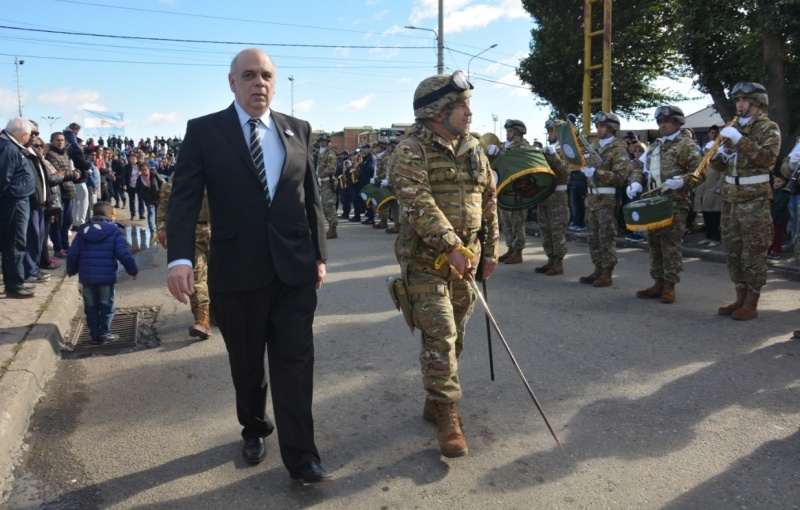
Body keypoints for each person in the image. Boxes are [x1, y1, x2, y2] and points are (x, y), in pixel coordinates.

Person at [166, 48, 331, 483]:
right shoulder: (204, 132)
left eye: (267, 76)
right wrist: (180, 257)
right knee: (247, 364)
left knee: (295, 362)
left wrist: (318, 254)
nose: (260, 83)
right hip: (236, 272)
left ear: (275, 83)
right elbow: (183, 198)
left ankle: (302, 458)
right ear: (232, 82)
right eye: (250, 75)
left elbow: (309, 196)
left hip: (293, 270)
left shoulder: (298, 130)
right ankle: (254, 426)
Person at [393, 70, 499, 457]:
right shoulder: (410, 150)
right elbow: (417, 201)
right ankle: (449, 416)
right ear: (438, 111)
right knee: (440, 337)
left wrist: (490, 250)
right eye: (461, 105)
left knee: (458, 337)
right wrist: (451, 244)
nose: (469, 112)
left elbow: (489, 199)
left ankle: (435, 400)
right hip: (427, 261)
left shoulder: (474, 148)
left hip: (466, 261)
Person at [711, 82, 780, 320]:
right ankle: (739, 297)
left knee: (753, 252)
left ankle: (752, 302)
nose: (739, 104)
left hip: (755, 199)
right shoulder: (734, 127)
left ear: (757, 102)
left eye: (743, 100)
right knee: (733, 251)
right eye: (737, 100)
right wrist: (718, 154)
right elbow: (721, 166)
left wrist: (740, 140)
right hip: (731, 198)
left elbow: (767, 159)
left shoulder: (769, 128)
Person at [633, 106, 703, 303]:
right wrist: (636, 181)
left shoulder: (687, 146)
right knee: (654, 243)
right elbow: (639, 166)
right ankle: (658, 282)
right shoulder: (655, 146)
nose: (663, 125)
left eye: (667, 121)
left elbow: (699, 173)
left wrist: (684, 180)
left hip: (674, 202)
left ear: (678, 123)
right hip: (653, 201)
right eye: (660, 122)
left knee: (670, 244)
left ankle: (670, 286)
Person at [66, 201, 138, 343]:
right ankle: (104, 333)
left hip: (87, 277)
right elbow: (123, 254)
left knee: (90, 305)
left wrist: (71, 270)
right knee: (106, 305)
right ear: (111, 215)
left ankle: (94, 333)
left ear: (93, 214)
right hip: (106, 277)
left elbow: (73, 254)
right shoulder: (115, 231)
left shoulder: (82, 232)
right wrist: (132, 270)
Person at [579, 112, 634, 287]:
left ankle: (607, 272)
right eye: (597, 126)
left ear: (612, 128)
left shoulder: (618, 149)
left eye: (602, 126)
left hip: (607, 198)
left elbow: (619, 177)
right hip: (591, 198)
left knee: (605, 236)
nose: (598, 129)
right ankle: (598, 268)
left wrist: (596, 172)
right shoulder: (594, 147)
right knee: (593, 237)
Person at [157, 174, 212, 340]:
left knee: (220, 276)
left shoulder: (223, 164)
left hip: (224, 233)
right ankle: (202, 319)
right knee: (197, 277)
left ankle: (215, 312)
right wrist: (162, 228)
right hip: (192, 234)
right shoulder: (180, 174)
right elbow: (165, 203)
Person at [0, 118, 37, 298]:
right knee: (15, 244)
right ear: (23, 134)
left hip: (17, 201)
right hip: (13, 202)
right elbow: (2, 179)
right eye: (30, 134)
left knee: (15, 243)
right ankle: (15, 285)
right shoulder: (8, 148)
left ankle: (14, 282)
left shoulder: (10, 146)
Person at [489, 119, 530, 264]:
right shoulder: (505, 146)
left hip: (518, 189)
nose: (507, 133)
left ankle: (518, 251)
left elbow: (513, 161)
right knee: (506, 221)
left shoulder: (523, 146)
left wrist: (499, 153)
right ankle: (511, 248)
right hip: (504, 188)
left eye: (510, 131)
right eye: (507, 131)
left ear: (518, 132)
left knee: (517, 221)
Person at [538, 120, 571, 275]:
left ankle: (558, 262)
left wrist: (554, 156)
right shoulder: (547, 150)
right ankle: (550, 259)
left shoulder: (567, 149)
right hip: (544, 196)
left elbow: (565, 173)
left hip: (558, 197)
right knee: (546, 230)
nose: (549, 134)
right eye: (548, 131)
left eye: (551, 130)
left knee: (557, 230)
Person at [314, 133, 339, 239]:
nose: (322, 143)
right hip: (322, 182)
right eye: (320, 141)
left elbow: (331, 168)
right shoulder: (321, 152)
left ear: (328, 141)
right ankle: (331, 228)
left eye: (324, 141)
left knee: (329, 206)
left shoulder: (330, 153)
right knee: (325, 206)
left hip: (328, 182)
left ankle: (333, 230)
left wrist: (320, 175)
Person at [134, 162, 164, 233]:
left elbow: (162, 182)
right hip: (148, 199)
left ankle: (158, 229)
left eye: (146, 169)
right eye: (143, 170)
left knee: (158, 214)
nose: (145, 171)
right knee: (151, 213)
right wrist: (143, 195)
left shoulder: (154, 175)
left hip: (157, 197)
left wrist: (160, 191)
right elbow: (137, 189)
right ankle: (152, 230)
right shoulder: (140, 179)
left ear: (148, 168)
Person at [768, 175, 790, 260]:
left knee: (777, 235)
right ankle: (770, 249)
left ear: (783, 182)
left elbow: (779, 206)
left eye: (779, 182)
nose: (776, 184)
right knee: (770, 234)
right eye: (775, 181)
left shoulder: (784, 193)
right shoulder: (773, 191)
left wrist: (773, 216)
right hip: (772, 216)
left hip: (779, 218)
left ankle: (776, 251)